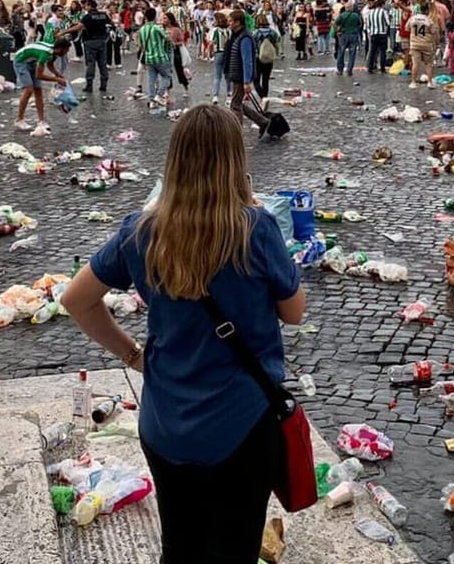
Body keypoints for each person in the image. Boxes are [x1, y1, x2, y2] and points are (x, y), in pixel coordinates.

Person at [60, 104, 305, 564]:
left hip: (166, 423)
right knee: (234, 550)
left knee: (180, 547)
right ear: (237, 163)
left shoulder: (142, 230)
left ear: (175, 161)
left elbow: (76, 300)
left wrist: (133, 354)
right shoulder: (255, 228)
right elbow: (293, 312)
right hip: (243, 425)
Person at [12, 37, 71, 135]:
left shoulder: (53, 53)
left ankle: (41, 121)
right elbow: (39, 75)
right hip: (21, 61)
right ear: (61, 48)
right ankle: (19, 119)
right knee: (29, 89)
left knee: (38, 90)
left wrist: (57, 74)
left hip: (32, 62)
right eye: (66, 50)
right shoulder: (45, 54)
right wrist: (56, 79)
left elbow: (50, 64)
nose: (66, 52)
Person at [225, 9, 270, 132]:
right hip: (237, 74)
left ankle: (236, 131)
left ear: (237, 22)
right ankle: (263, 121)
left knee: (235, 104)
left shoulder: (244, 38)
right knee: (238, 102)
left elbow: (247, 60)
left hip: (240, 76)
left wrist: (246, 81)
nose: (228, 23)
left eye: (230, 21)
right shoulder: (237, 35)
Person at [138, 8, 175, 111]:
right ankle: (159, 95)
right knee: (166, 77)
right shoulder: (157, 28)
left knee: (151, 79)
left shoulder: (142, 29)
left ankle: (151, 101)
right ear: (155, 16)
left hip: (149, 58)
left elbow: (140, 45)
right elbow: (167, 38)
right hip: (160, 57)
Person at [79, 0, 111, 96]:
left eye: (86, 5)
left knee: (91, 64)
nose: (85, 7)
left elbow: (79, 27)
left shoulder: (87, 17)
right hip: (102, 41)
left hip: (90, 42)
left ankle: (89, 85)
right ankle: (103, 85)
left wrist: (65, 31)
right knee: (103, 64)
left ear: (89, 6)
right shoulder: (103, 15)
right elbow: (111, 23)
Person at [407, 2, 436, 88]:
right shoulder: (428, 20)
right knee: (428, 64)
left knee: (415, 64)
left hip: (414, 44)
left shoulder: (413, 18)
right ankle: (430, 82)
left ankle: (413, 82)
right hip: (426, 43)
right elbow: (433, 31)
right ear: (427, 10)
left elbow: (407, 28)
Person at [333, 2, 362, 76]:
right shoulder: (356, 15)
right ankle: (349, 70)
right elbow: (360, 24)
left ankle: (340, 70)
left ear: (345, 8)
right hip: (353, 35)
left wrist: (337, 31)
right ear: (352, 8)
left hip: (343, 35)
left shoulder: (342, 15)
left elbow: (335, 23)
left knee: (341, 52)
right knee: (352, 53)